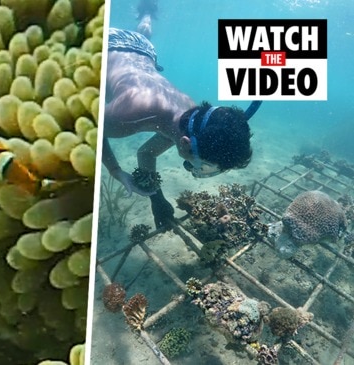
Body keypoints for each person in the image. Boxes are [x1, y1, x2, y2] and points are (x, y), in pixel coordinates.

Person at [103, 0, 259, 228]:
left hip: (144, 49)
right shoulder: (132, 112)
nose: (198, 170)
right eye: (203, 166)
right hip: (107, 44)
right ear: (185, 144)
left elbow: (146, 153)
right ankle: (142, 18)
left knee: (144, 34)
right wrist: (115, 171)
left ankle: (146, 17)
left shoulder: (190, 120)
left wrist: (156, 199)